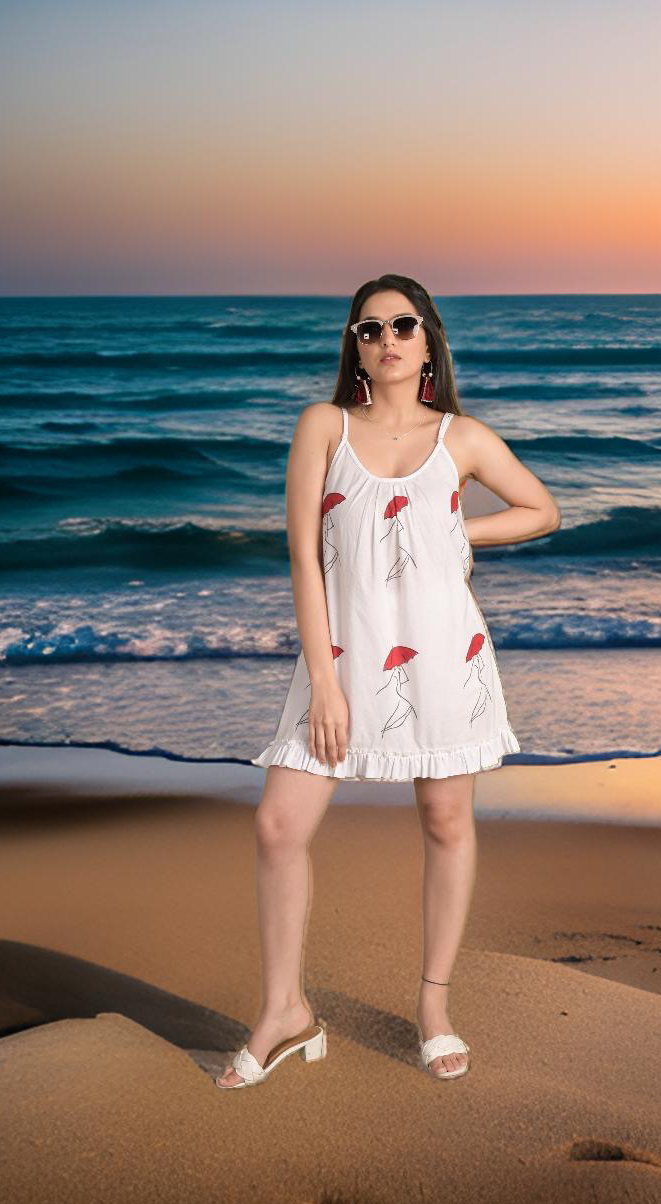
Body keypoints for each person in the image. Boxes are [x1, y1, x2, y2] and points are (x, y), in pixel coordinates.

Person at [218, 274, 560, 1089]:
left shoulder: (463, 440)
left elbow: (542, 510)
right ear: (356, 347)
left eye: (404, 325)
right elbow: (304, 556)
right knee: (277, 824)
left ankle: (434, 1009)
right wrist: (328, 682)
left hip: (445, 653)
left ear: (429, 340)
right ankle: (284, 1012)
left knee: (446, 822)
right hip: (340, 659)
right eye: (369, 329)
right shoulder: (323, 427)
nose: (388, 339)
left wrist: (456, 532)